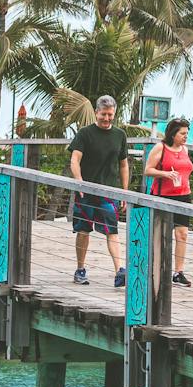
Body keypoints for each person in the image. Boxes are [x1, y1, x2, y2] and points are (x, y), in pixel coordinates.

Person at [68, 95, 130, 287]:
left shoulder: (120, 135)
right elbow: (75, 160)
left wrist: (124, 192)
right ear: (96, 112)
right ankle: (80, 269)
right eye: (103, 114)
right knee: (84, 231)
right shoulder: (85, 133)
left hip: (108, 192)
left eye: (110, 115)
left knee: (112, 231)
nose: (107, 118)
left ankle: (119, 271)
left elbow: (124, 165)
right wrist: (79, 182)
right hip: (85, 191)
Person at [143, 116, 193, 287]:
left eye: (187, 133)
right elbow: (148, 170)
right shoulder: (161, 148)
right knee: (160, 235)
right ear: (173, 134)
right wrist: (165, 174)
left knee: (182, 234)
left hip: (183, 195)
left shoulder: (185, 150)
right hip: (163, 196)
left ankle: (178, 272)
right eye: (182, 133)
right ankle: (155, 268)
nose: (185, 137)